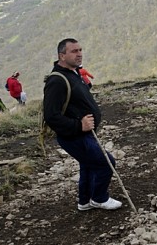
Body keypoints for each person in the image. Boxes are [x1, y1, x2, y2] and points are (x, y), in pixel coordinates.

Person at [43, 38, 122, 211]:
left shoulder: (74, 73)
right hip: (75, 136)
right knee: (106, 163)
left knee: (88, 164)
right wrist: (80, 126)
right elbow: (51, 116)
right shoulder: (56, 81)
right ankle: (99, 198)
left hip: (83, 134)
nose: (79, 54)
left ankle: (85, 201)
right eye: (74, 51)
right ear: (61, 56)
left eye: (80, 50)